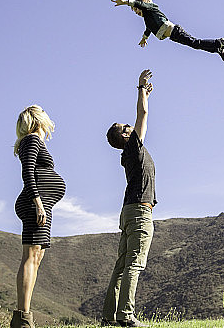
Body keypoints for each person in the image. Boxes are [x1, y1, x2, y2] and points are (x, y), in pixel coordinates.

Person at [102, 69, 157, 327]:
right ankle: (125, 316)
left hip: (128, 211)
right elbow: (143, 114)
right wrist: (141, 89)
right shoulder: (134, 147)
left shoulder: (129, 152)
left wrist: (144, 93)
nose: (130, 126)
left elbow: (140, 117)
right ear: (126, 135)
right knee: (134, 263)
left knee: (122, 265)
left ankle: (108, 317)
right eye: (127, 127)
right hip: (138, 212)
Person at [11, 105, 66, 328]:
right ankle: (23, 318)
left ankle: (24, 317)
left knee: (36, 258)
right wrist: (38, 203)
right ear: (38, 120)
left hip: (43, 205)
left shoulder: (35, 142)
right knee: (30, 256)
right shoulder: (31, 140)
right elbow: (28, 171)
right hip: (37, 204)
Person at [111, 0, 224, 61]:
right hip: (173, 36)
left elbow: (140, 4)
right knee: (195, 45)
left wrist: (125, 2)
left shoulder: (151, 8)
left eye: (136, 9)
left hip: (175, 31)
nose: (136, 12)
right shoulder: (147, 19)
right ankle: (217, 49)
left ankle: (219, 42)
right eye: (134, 11)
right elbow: (148, 29)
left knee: (196, 42)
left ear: (144, 4)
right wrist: (144, 38)